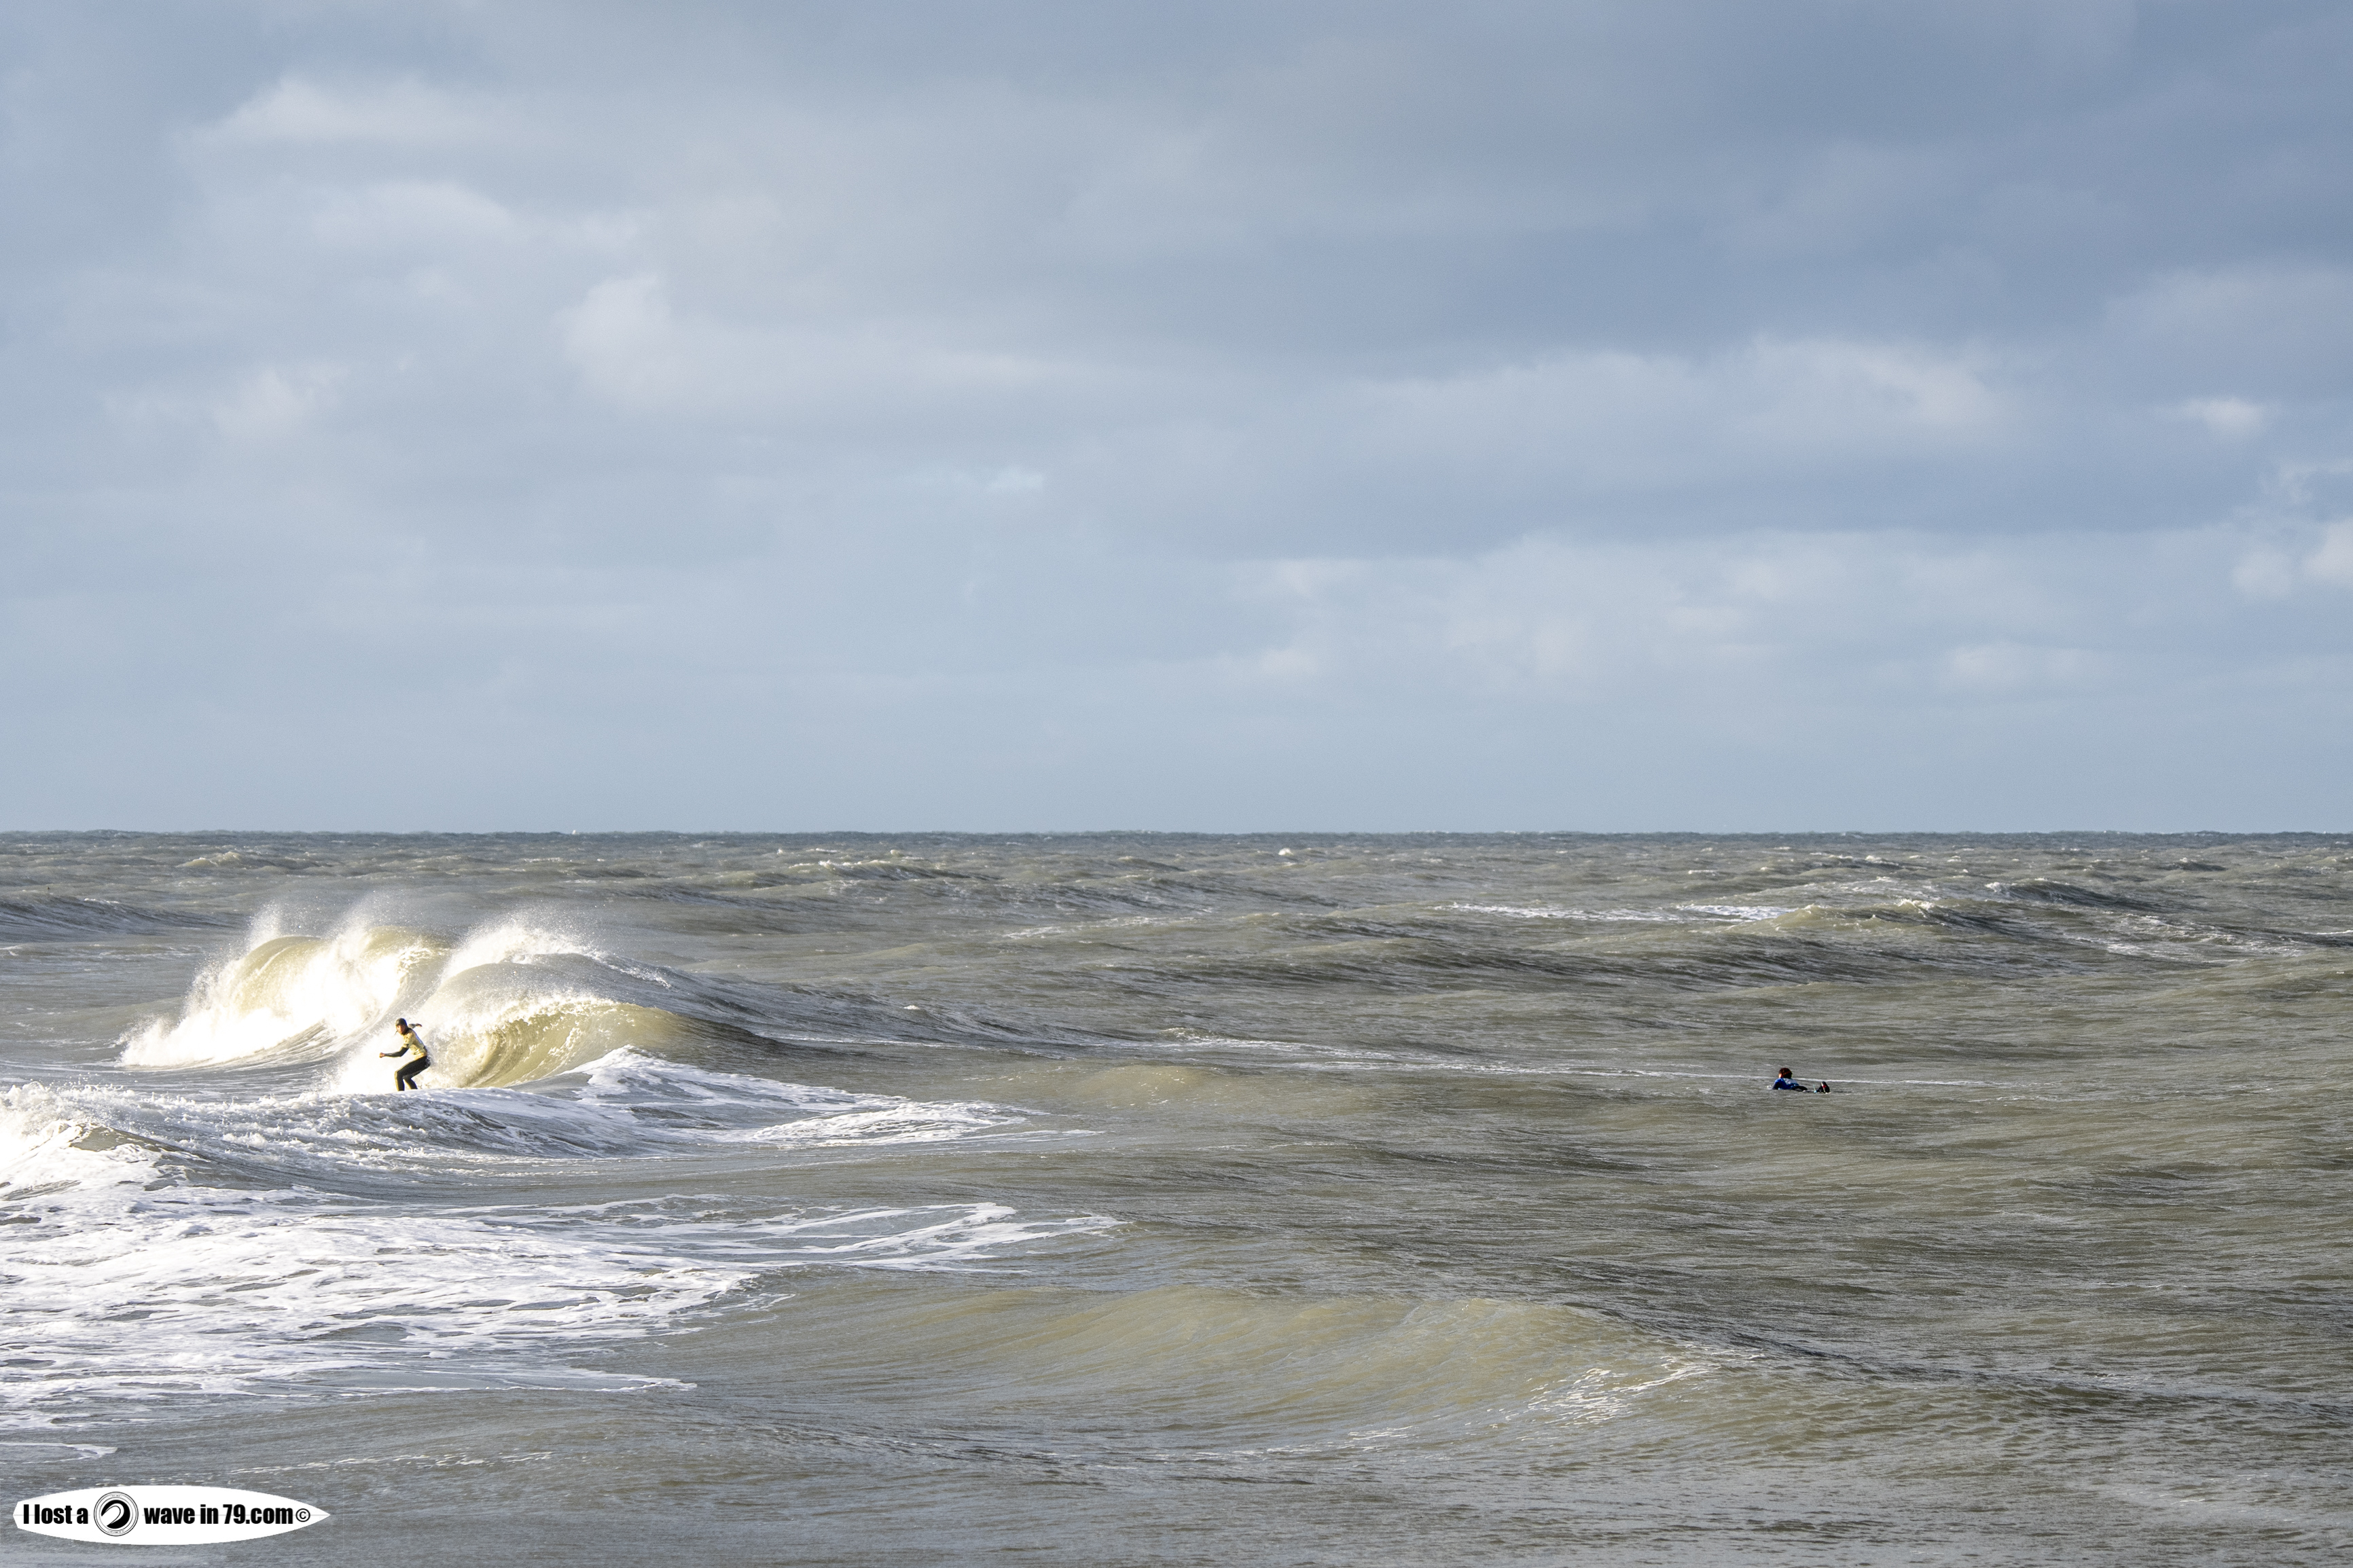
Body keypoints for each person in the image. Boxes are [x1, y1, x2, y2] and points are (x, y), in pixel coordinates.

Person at [380, 1017, 431, 1091]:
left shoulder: (409, 1036)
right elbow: (411, 1025)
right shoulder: (409, 1028)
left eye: (402, 1026)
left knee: (398, 1074)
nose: (401, 1029)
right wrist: (416, 1024)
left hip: (424, 1060)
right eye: (398, 1027)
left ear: (405, 1026)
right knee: (407, 1077)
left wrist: (385, 1055)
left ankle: (400, 1096)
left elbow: (401, 1053)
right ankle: (416, 1094)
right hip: (425, 1060)